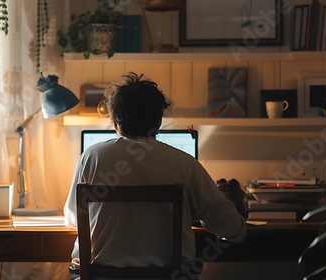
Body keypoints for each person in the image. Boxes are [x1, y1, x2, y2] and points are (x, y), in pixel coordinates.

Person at [63, 72, 247, 277]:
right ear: (158, 122)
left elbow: (72, 218)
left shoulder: (91, 157)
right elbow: (230, 227)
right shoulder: (185, 163)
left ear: (115, 123)